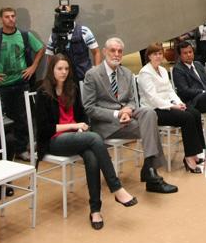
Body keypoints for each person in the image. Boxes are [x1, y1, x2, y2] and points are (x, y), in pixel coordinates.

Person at [35, 54, 137, 229]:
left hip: (76, 137)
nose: (63, 72)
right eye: (59, 68)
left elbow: (83, 117)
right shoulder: (43, 92)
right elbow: (44, 129)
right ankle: (116, 188)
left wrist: (81, 127)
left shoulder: (72, 88)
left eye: (66, 69)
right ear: (52, 70)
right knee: (95, 138)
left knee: (92, 157)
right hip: (53, 141)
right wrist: (74, 126)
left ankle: (95, 210)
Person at [81, 38, 177, 194]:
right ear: (104, 52)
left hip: (127, 116)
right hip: (107, 123)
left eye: (120, 51)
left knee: (148, 112)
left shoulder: (126, 73)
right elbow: (89, 108)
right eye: (113, 50)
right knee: (150, 126)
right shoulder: (93, 75)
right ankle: (151, 173)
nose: (116, 54)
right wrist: (117, 113)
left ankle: (149, 167)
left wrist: (127, 110)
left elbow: (132, 100)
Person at [0, 8, 44, 157]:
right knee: (1, 119)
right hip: (0, 87)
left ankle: (21, 150)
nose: (11, 19)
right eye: (7, 17)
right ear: (1, 19)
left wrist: (33, 66)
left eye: (13, 16)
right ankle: (4, 152)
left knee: (23, 118)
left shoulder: (25, 35)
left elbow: (40, 49)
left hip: (21, 83)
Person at [137, 43, 205, 173]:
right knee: (187, 118)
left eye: (160, 53)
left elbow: (170, 91)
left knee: (195, 113)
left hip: (169, 105)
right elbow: (152, 98)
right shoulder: (145, 73)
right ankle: (189, 158)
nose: (158, 56)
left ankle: (195, 153)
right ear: (149, 56)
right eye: (155, 54)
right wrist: (172, 106)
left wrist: (179, 103)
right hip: (154, 110)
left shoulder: (162, 70)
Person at [43, 9, 100, 83]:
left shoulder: (84, 31)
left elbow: (96, 52)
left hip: (84, 76)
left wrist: (95, 72)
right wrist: (52, 75)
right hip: (64, 79)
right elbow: (50, 57)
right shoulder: (54, 35)